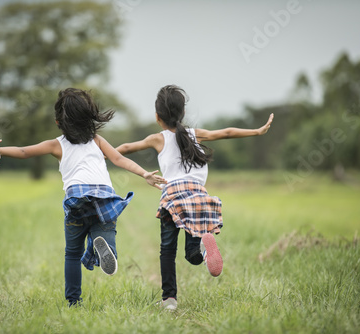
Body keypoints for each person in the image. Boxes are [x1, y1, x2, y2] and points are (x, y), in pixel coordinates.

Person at [0, 88, 166, 307]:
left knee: (72, 253)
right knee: (105, 227)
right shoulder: (97, 140)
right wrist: (144, 173)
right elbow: (119, 159)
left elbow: (25, 151)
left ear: (58, 122)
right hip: (103, 194)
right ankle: (105, 247)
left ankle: (74, 301)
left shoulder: (57, 144)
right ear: (88, 119)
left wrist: (2, 150)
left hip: (76, 197)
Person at [116, 85, 273, 310]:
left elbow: (127, 147)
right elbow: (226, 132)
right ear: (183, 113)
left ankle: (169, 299)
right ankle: (203, 250)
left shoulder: (157, 138)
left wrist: (99, 150)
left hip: (172, 198)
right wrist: (257, 131)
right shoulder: (195, 134)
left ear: (157, 117)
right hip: (198, 196)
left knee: (167, 250)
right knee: (191, 252)